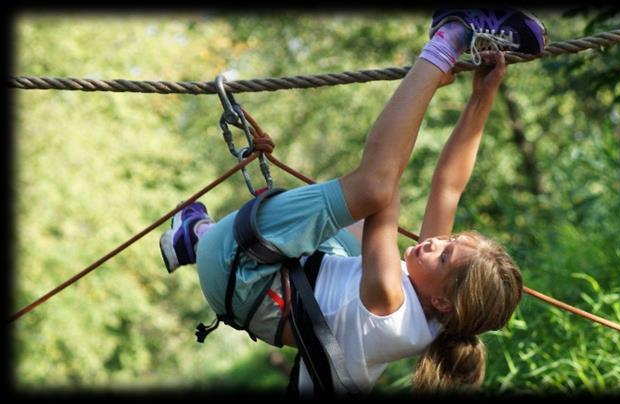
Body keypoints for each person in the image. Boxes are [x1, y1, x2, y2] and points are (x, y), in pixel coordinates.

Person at [160, 8, 545, 395]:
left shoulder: (390, 308)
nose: (436, 243)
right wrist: (482, 97)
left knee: (371, 191)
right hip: (250, 282)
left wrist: (426, 76)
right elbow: (447, 187)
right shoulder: (434, 308)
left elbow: (383, 184)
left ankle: (452, 34)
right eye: (452, 240)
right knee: (361, 222)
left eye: (445, 256)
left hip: (239, 268)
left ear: (443, 301)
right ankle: (195, 235)